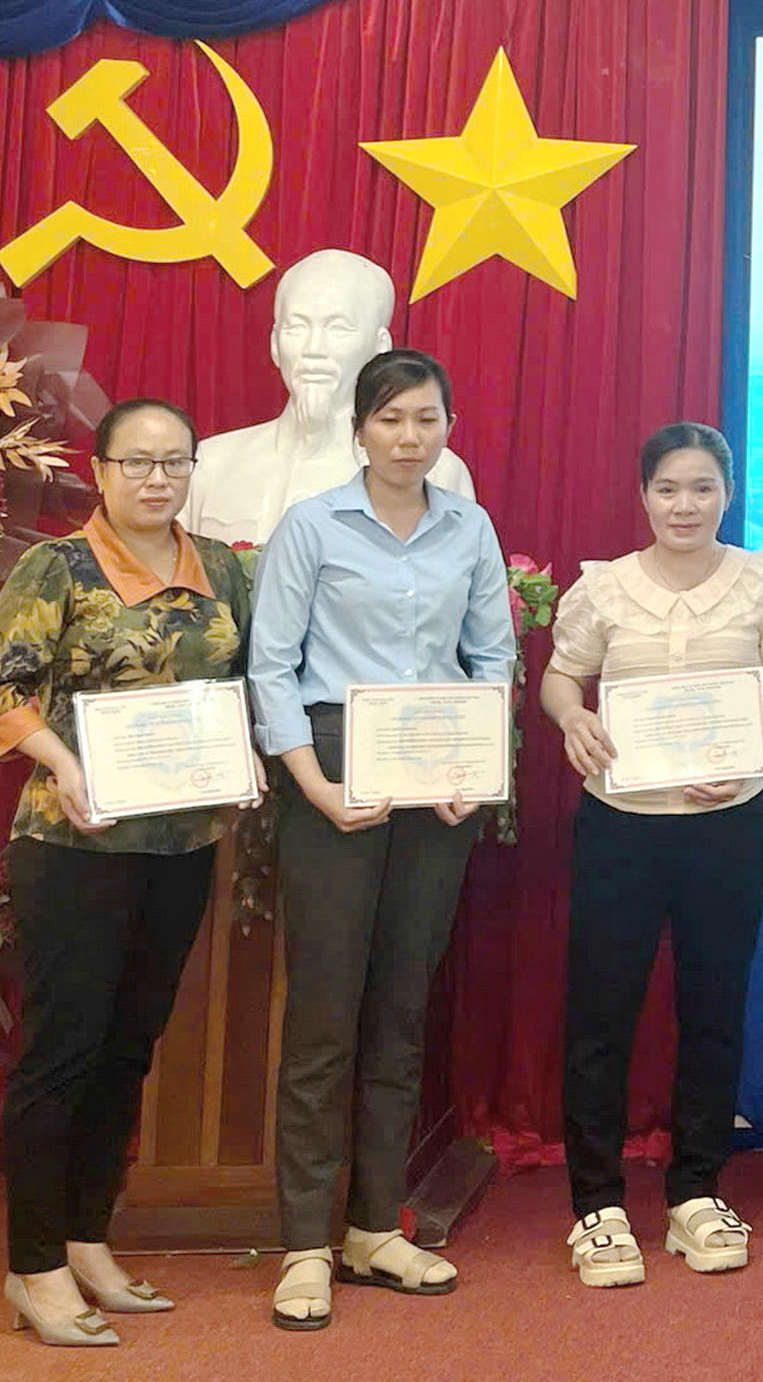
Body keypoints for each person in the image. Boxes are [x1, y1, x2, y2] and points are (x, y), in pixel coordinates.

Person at [0, 398, 258, 1347]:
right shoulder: (58, 567)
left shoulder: (225, 570)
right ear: (100, 471)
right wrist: (64, 763)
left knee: (130, 1049)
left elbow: (246, 684)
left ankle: (88, 1239)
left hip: (183, 845)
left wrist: (244, 757)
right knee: (65, 1052)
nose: (157, 479)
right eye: (138, 462)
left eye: (175, 462)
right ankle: (34, 1267)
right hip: (76, 845)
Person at [246, 348, 511, 1330]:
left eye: (426, 419)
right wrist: (311, 783)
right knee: (324, 1012)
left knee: (402, 1006)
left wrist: (473, 768)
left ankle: (371, 1226)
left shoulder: (469, 526)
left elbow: (491, 654)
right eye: (391, 418)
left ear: (449, 428)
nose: (409, 437)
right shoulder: (312, 524)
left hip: (436, 772)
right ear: (359, 427)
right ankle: (304, 1244)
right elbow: (271, 664)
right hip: (331, 761)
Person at [541, 423, 763, 1290]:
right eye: (667, 489)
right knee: (602, 1012)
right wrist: (572, 716)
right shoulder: (605, 586)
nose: (684, 505)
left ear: (727, 493)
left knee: (714, 1009)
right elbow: (559, 675)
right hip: (620, 823)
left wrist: (752, 750)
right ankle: (597, 1203)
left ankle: (697, 1190)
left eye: (702, 488)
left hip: (727, 825)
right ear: (643, 496)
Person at [189, 250, 474, 547]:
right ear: (275, 343)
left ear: (380, 347)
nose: (313, 348)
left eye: (338, 328)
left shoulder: (433, 472)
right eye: (297, 326)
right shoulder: (212, 463)